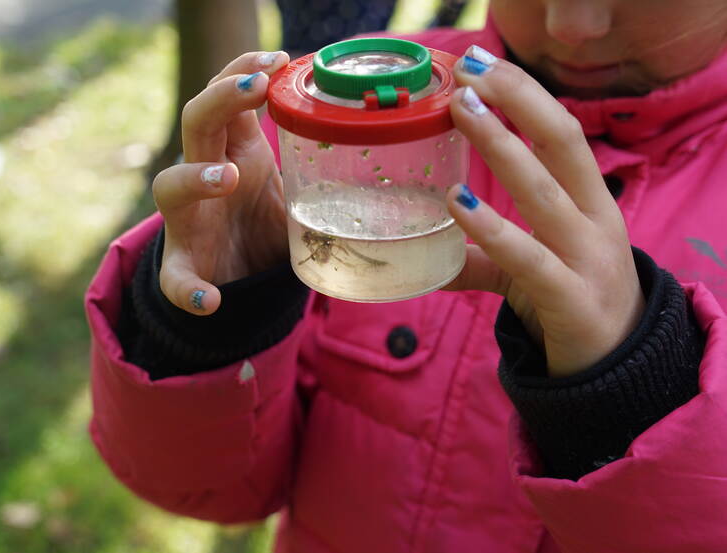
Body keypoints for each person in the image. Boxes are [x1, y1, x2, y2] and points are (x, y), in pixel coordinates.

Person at [85, 1, 727, 551]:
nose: (572, 24)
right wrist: (226, 317)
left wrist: (631, 390)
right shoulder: (363, 113)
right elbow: (207, 486)